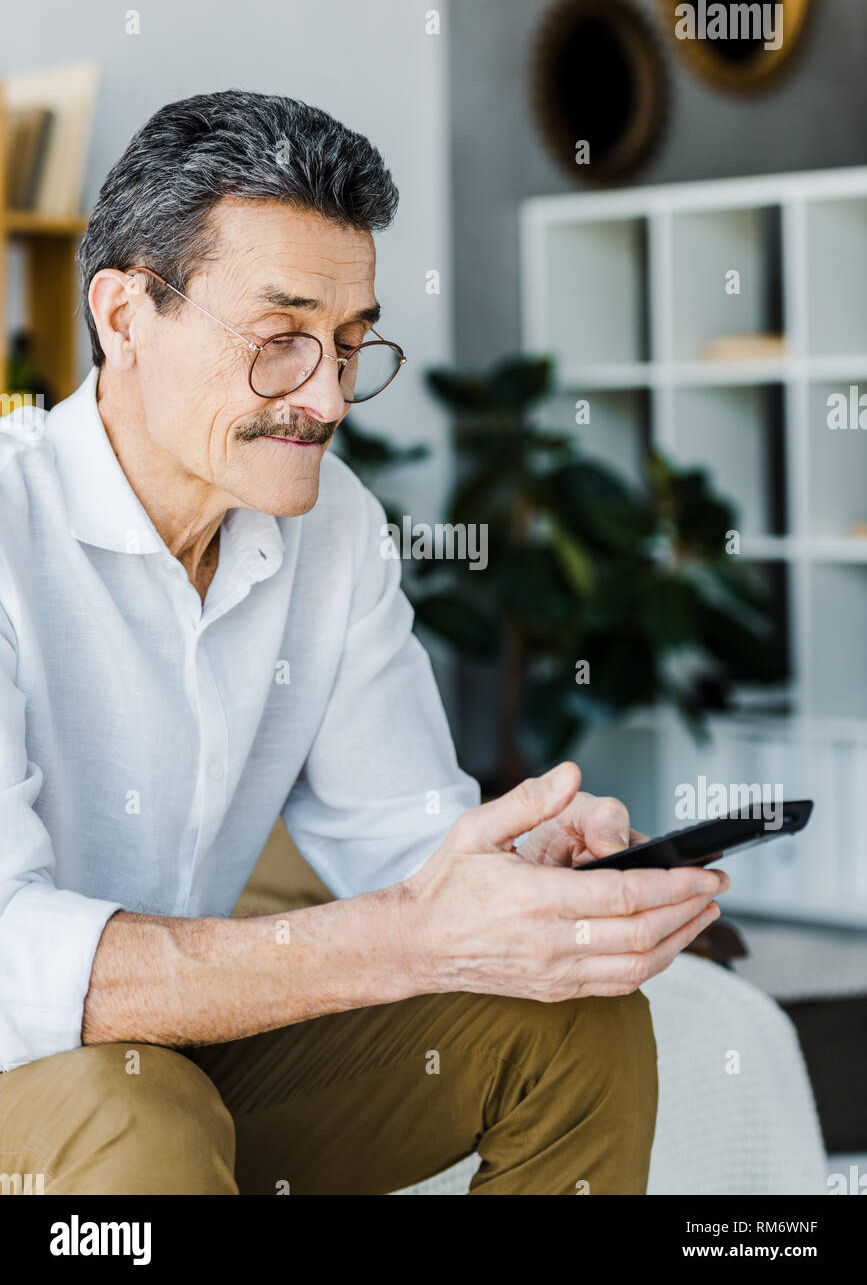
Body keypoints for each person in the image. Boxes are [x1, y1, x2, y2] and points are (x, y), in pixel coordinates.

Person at [0, 91, 726, 1195]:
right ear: (125, 315)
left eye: (348, 343)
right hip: (47, 1076)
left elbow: (404, 844)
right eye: (281, 338)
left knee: (576, 1025)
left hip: (180, 1061)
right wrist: (403, 937)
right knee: (136, 1105)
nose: (328, 397)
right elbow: (15, 962)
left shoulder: (330, 526)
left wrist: (524, 875)